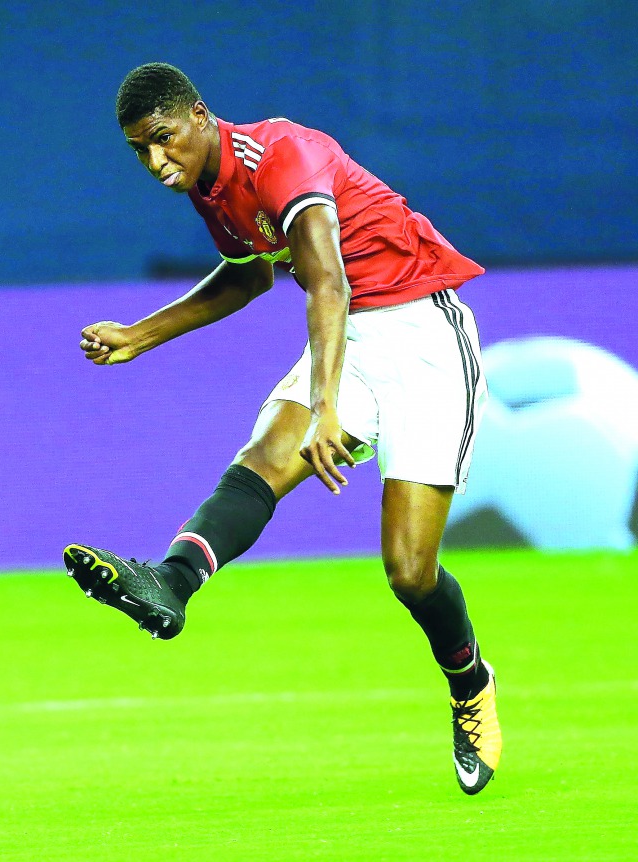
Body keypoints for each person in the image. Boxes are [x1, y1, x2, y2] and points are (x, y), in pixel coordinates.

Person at [63, 63, 501, 796]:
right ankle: (171, 582)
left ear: (199, 115)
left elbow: (326, 279)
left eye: (164, 140)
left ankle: (470, 682)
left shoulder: (282, 155)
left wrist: (328, 409)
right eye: (140, 151)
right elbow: (246, 277)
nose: (156, 162)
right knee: (266, 455)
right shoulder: (211, 189)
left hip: (424, 333)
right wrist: (143, 333)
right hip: (348, 342)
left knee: (409, 571)